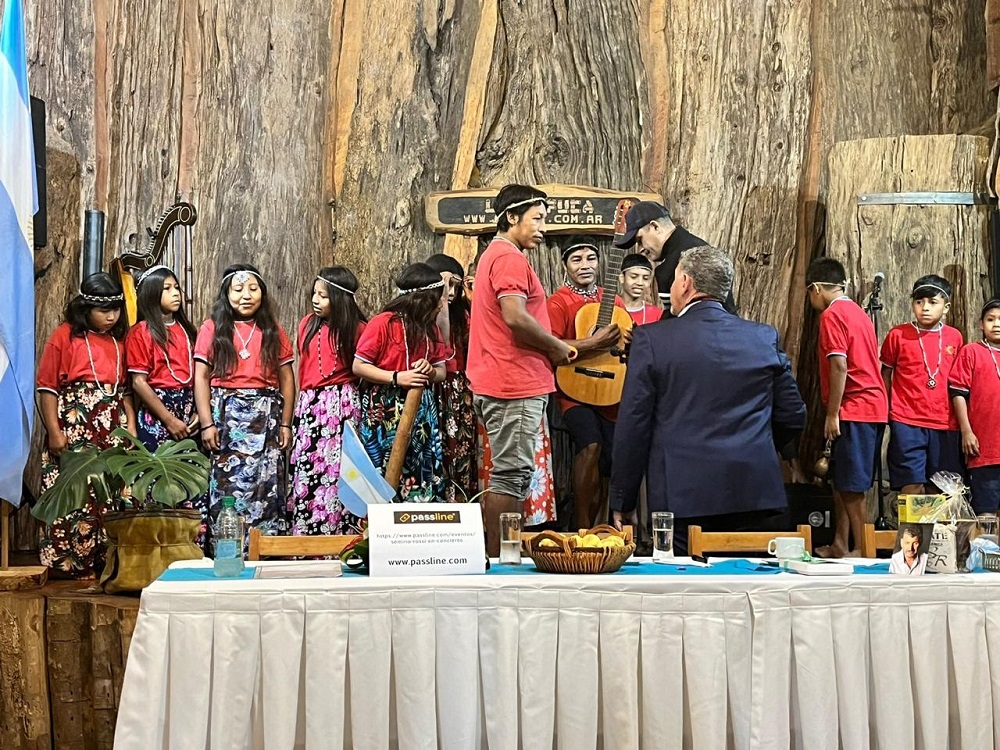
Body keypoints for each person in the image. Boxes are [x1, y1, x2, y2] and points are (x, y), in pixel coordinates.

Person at [608, 245, 806, 554]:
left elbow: (633, 426)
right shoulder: (762, 337)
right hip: (755, 493)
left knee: (687, 584)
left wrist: (623, 498)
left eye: (674, 279)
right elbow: (793, 414)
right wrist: (758, 444)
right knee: (754, 582)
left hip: (682, 498)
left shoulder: (652, 340)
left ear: (685, 283)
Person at [466, 184, 574, 555]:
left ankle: (501, 554)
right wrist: (556, 346)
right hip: (512, 379)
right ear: (512, 217)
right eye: (537, 219)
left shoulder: (495, 254)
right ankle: (501, 560)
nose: (543, 227)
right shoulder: (508, 257)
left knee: (511, 472)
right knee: (510, 474)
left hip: (504, 377)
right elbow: (514, 316)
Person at [37, 273, 136, 576]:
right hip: (75, 423)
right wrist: (54, 432)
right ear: (85, 308)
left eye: (115, 310)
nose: (111, 316)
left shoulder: (119, 341)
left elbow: (126, 391)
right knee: (75, 492)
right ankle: (68, 565)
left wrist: (130, 426)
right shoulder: (64, 336)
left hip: (112, 426)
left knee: (110, 492)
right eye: (103, 310)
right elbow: (47, 387)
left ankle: (105, 563)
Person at [194, 264, 295, 546]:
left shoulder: (273, 330)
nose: (246, 296)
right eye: (238, 289)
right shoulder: (211, 328)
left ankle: (265, 548)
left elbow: (287, 379)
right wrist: (207, 423)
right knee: (227, 483)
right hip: (226, 416)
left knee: (266, 483)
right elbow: (201, 377)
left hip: (267, 416)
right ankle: (228, 549)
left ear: (263, 293)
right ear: (226, 294)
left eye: (253, 289)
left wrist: (286, 423)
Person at [806, 258, 888, 558]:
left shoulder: (832, 315)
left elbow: (839, 365)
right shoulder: (858, 312)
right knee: (841, 479)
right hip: (873, 405)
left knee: (851, 484)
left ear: (816, 288)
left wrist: (832, 413)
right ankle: (841, 543)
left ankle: (865, 549)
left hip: (855, 405)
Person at [353, 263, 449, 502]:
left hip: (421, 410)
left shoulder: (431, 329)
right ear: (423, 300)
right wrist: (396, 377)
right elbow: (359, 366)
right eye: (437, 299)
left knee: (420, 465)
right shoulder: (383, 323)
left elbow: (442, 372)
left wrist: (430, 371)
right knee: (383, 469)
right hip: (384, 408)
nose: (440, 305)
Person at [546, 236, 623, 527]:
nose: (585, 265)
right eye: (576, 259)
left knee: (609, 458)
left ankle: (600, 523)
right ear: (565, 265)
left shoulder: (613, 300)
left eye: (590, 258)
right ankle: (581, 523)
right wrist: (592, 343)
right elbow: (551, 347)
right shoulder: (558, 302)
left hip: (610, 387)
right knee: (590, 445)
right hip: (574, 388)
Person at [289, 267, 367, 535]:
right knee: (308, 467)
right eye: (314, 293)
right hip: (311, 405)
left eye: (323, 296)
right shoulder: (306, 325)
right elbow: (304, 368)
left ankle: (341, 536)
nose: (315, 300)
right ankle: (307, 536)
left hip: (343, 406)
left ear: (339, 298)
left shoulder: (358, 329)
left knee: (341, 470)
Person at [880, 275, 964, 495]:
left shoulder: (955, 337)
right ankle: (910, 520)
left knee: (942, 485)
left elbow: (959, 382)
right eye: (919, 302)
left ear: (946, 307)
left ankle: (937, 521)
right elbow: (886, 373)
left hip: (945, 422)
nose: (925, 307)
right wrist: (886, 410)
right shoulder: (898, 335)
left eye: (932, 302)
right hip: (906, 420)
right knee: (911, 482)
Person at [613, 200, 736, 314]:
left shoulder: (681, 260)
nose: (641, 249)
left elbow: (683, 321)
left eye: (640, 240)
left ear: (655, 227)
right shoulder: (694, 248)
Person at [125, 265, 199, 451]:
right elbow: (138, 382)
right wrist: (169, 420)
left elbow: (199, 374)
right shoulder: (141, 332)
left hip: (188, 409)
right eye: (167, 288)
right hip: (157, 412)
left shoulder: (187, 330)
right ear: (151, 293)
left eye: (176, 288)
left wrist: (199, 412)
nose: (175, 293)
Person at [425, 253, 478, 502]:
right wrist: (442, 294)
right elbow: (443, 340)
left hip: (459, 390)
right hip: (434, 386)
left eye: (456, 286)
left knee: (460, 449)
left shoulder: (463, 315)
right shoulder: (427, 313)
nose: (453, 292)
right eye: (449, 285)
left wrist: (471, 298)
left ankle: (459, 503)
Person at [950, 299, 1000, 513]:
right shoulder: (972, 352)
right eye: (990, 319)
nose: (996, 324)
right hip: (984, 450)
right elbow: (958, 393)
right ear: (981, 324)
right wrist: (967, 431)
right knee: (986, 515)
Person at [618, 253, 663, 326]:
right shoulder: (609, 310)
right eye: (633, 277)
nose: (640, 283)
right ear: (622, 278)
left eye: (645, 278)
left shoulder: (657, 314)